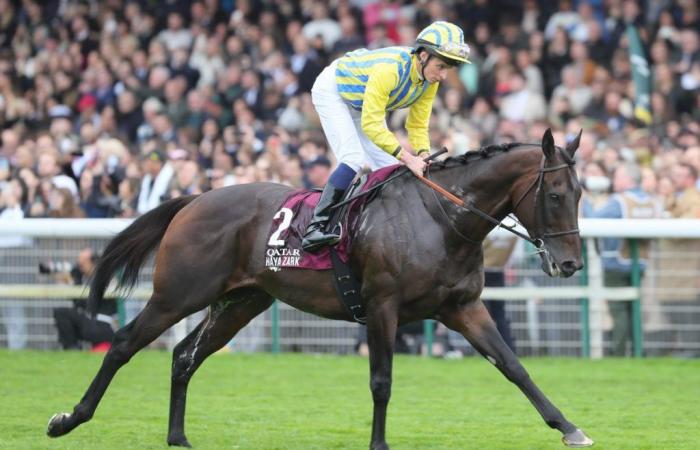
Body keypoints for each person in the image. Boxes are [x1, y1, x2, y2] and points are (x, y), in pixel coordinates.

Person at [301, 21, 471, 252]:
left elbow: (418, 124)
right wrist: (409, 158)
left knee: (391, 167)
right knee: (353, 158)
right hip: (334, 91)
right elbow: (371, 124)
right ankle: (315, 226)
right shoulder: (390, 70)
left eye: (447, 69)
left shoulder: (428, 81)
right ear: (422, 55)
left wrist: (423, 154)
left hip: (362, 103)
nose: (442, 76)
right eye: (441, 66)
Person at [582, 162, 662, 356]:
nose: (614, 181)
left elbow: (593, 219)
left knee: (618, 311)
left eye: (617, 177)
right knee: (634, 310)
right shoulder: (651, 202)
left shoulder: (619, 201)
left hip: (615, 263)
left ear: (628, 179)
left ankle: (618, 353)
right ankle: (637, 352)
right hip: (640, 264)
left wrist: (583, 199)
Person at [50, 248, 116, 350]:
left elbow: (89, 302)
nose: (80, 268)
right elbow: (80, 303)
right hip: (93, 324)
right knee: (65, 318)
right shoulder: (87, 277)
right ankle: (72, 349)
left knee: (61, 313)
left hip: (102, 326)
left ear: (93, 262)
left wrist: (73, 283)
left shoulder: (104, 276)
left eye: (82, 265)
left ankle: (72, 349)